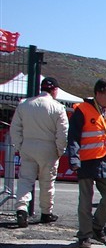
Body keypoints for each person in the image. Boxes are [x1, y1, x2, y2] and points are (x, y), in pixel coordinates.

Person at [67, 79, 106, 248]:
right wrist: (74, 159)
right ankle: (84, 236)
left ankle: (97, 227)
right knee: (85, 200)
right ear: (98, 93)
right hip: (86, 161)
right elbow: (74, 138)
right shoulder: (82, 110)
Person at [10, 77, 69, 227]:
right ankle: (46, 213)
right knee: (47, 183)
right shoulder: (58, 107)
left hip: (28, 146)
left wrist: (20, 146)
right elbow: (63, 133)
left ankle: (22, 208)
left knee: (25, 180)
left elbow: (15, 128)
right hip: (48, 149)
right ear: (54, 90)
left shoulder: (24, 104)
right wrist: (59, 150)